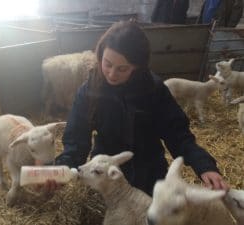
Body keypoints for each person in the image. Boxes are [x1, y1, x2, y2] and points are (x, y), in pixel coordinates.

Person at [46, 20, 229, 196]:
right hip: (107, 176)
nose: (111, 74)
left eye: (122, 69)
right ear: (100, 55)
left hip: (148, 174)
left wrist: (204, 166)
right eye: (107, 64)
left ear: (137, 67)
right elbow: (76, 140)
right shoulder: (89, 91)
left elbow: (178, 135)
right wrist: (62, 167)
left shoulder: (153, 90)